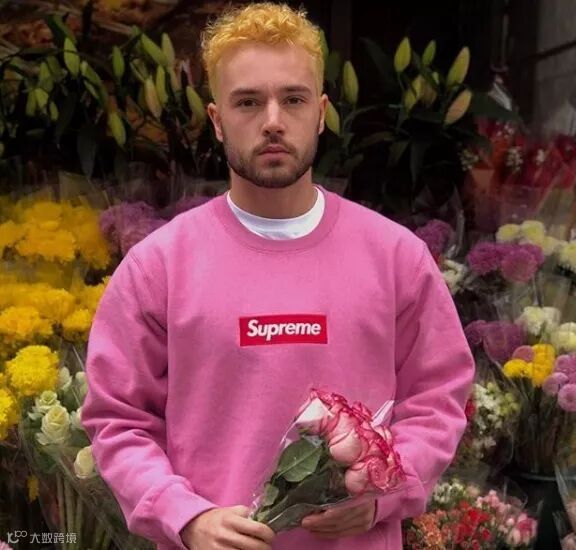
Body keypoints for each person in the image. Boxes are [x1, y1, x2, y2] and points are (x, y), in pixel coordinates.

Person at [82, 3, 474, 549]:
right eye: (248, 101)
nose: (272, 120)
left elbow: (440, 398)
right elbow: (118, 420)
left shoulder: (395, 258)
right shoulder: (159, 268)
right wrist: (185, 516)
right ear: (217, 119)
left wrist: (383, 490)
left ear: (321, 112)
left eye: (293, 99)